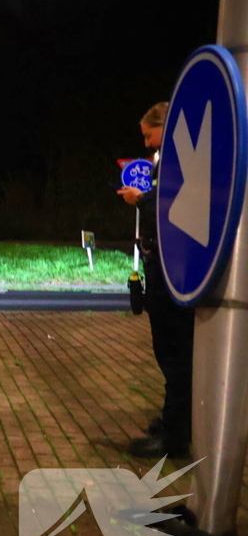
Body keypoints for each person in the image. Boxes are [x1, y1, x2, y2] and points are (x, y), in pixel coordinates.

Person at [117, 101, 194, 458]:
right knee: (173, 354)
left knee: (175, 354)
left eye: (150, 135)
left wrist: (140, 201)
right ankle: (174, 423)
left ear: (165, 126)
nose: (147, 144)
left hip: (171, 271)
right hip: (167, 268)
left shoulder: (179, 161)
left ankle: (174, 436)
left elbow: (171, 212)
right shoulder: (175, 160)